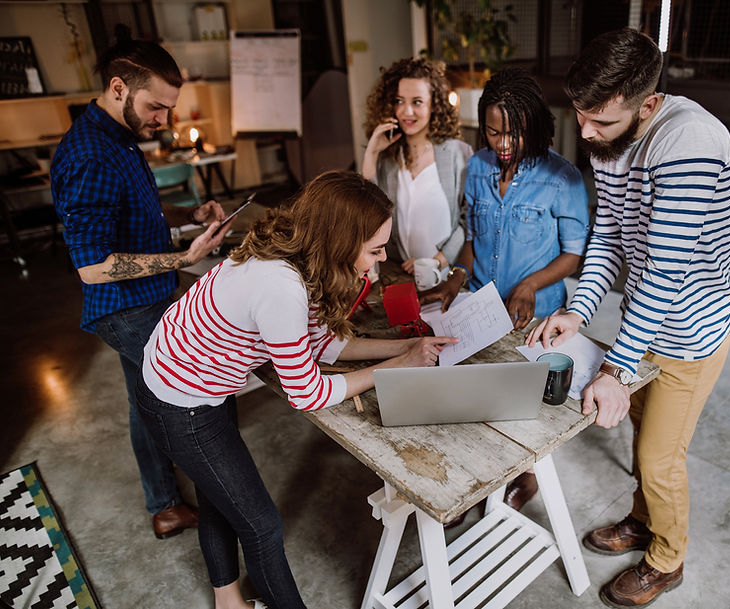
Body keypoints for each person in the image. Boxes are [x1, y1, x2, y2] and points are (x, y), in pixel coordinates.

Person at [135, 171, 457, 609]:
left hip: (195, 380)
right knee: (261, 525)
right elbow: (306, 394)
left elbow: (325, 343)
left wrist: (409, 344)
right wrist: (395, 366)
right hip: (180, 397)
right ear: (340, 242)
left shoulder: (296, 252)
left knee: (218, 495)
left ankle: (228, 603)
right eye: (374, 251)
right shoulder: (281, 285)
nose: (378, 264)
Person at [526, 28, 730, 608]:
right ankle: (644, 522)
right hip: (643, 327)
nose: (586, 132)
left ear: (647, 105)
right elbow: (611, 237)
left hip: (691, 332)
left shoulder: (691, 142)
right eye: (580, 115)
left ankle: (667, 560)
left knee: (658, 456)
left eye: (600, 120)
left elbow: (667, 272)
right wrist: (578, 311)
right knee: (647, 435)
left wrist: (616, 370)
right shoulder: (613, 140)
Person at [51, 39, 232, 539]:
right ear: (117, 88)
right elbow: (92, 266)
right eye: (156, 106)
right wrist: (184, 257)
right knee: (192, 393)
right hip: (124, 308)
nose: (163, 120)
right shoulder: (89, 154)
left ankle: (165, 504)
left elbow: (138, 213)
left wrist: (189, 217)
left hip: (146, 296)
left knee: (142, 400)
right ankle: (226, 496)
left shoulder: (121, 135)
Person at [423, 68, 590, 520]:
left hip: (533, 313)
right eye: (493, 132)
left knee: (523, 409)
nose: (503, 144)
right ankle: (476, 479)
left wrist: (530, 285)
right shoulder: (477, 167)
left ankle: (526, 474)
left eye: (513, 133)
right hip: (479, 305)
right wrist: (458, 275)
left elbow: (574, 255)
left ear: (535, 125)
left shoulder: (563, 178)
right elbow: (474, 237)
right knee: (471, 397)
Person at [361, 57, 472, 274]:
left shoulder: (458, 153)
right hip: (400, 273)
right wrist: (372, 152)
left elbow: (469, 219)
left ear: (435, 104)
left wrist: (438, 260)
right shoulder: (388, 157)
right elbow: (367, 212)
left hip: (445, 274)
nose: (406, 111)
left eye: (417, 102)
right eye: (399, 101)